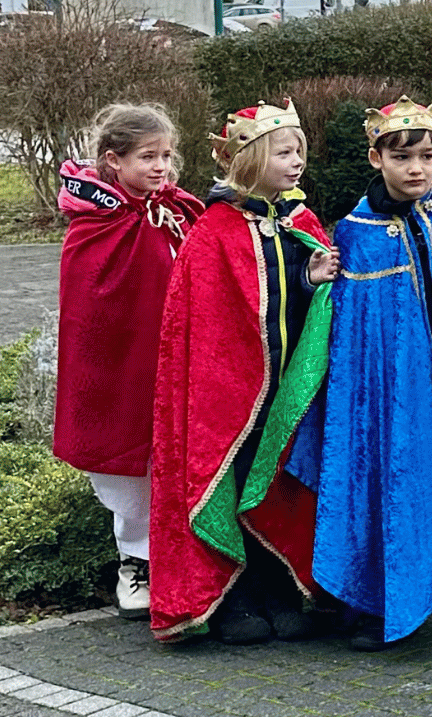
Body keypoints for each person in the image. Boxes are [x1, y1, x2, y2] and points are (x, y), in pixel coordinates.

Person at [289, 98, 432, 652]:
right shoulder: (356, 234)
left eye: (428, 156)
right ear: (375, 157)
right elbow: (343, 331)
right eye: (402, 157)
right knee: (389, 489)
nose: (417, 169)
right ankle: (376, 601)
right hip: (392, 402)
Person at [151, 100, 341, 643]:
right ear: (251, 160)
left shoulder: (298, 222)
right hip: (230, 397)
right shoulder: (215, 231)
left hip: (286, 390)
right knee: (232, 483)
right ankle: (232, 596)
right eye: (284, 152)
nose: (297, 161)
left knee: (277, 481)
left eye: (299, 151)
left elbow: (301, 307)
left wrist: (312, 278)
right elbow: (213, 318)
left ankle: (281, 586)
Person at [54, 104, 203, 621]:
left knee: (178, 455)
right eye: (148, 157)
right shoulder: (96, 225)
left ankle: (185, 556)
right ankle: (136, 561)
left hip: (175, 359)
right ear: (113, 161)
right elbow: (90, 305)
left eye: (166, 155)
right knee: (131, 462)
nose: (161, 166)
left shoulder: (177, 212)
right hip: (122, 366)